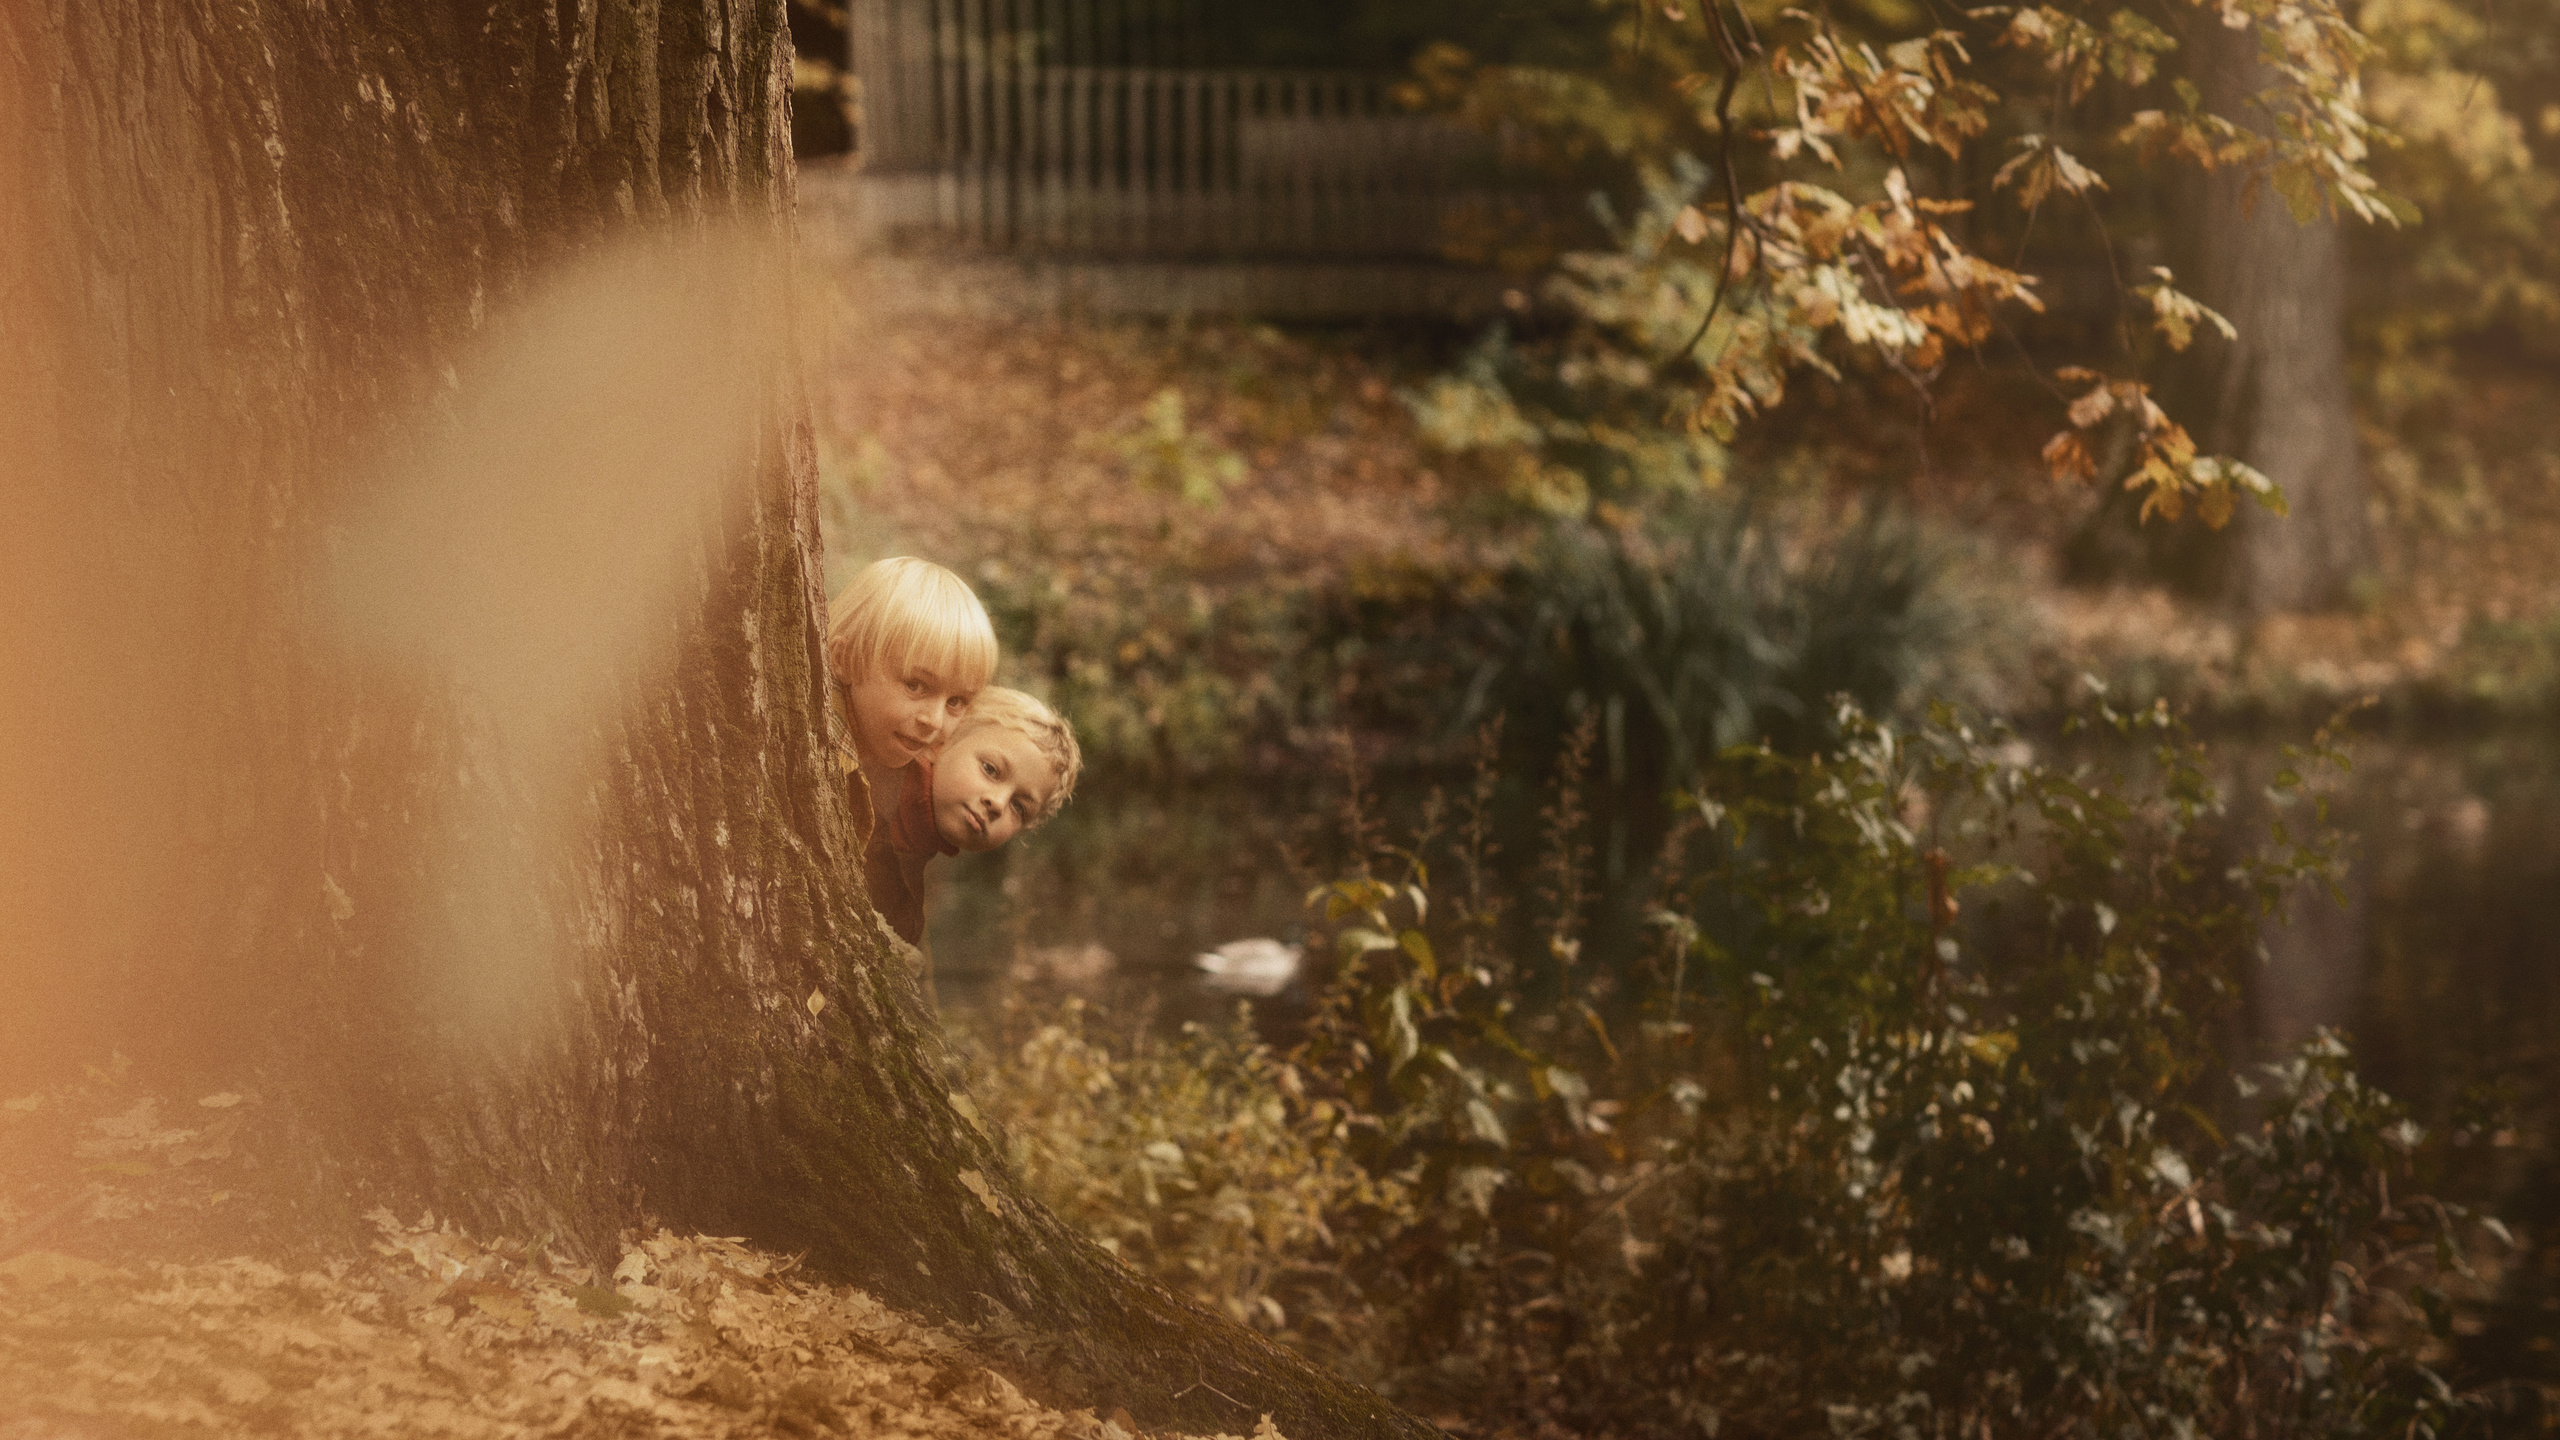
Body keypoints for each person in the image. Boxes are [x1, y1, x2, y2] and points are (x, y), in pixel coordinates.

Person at [864, 686, 1081, 950]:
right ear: (942, 742)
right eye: (991, 770)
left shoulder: (914, 873)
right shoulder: (872, 780)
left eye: (1019, 807)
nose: (998, 804)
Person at [823, 556, 999, 853]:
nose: (933, 720)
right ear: (843, 658)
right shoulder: (822, 753)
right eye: (916, 685)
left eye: (955, 702)